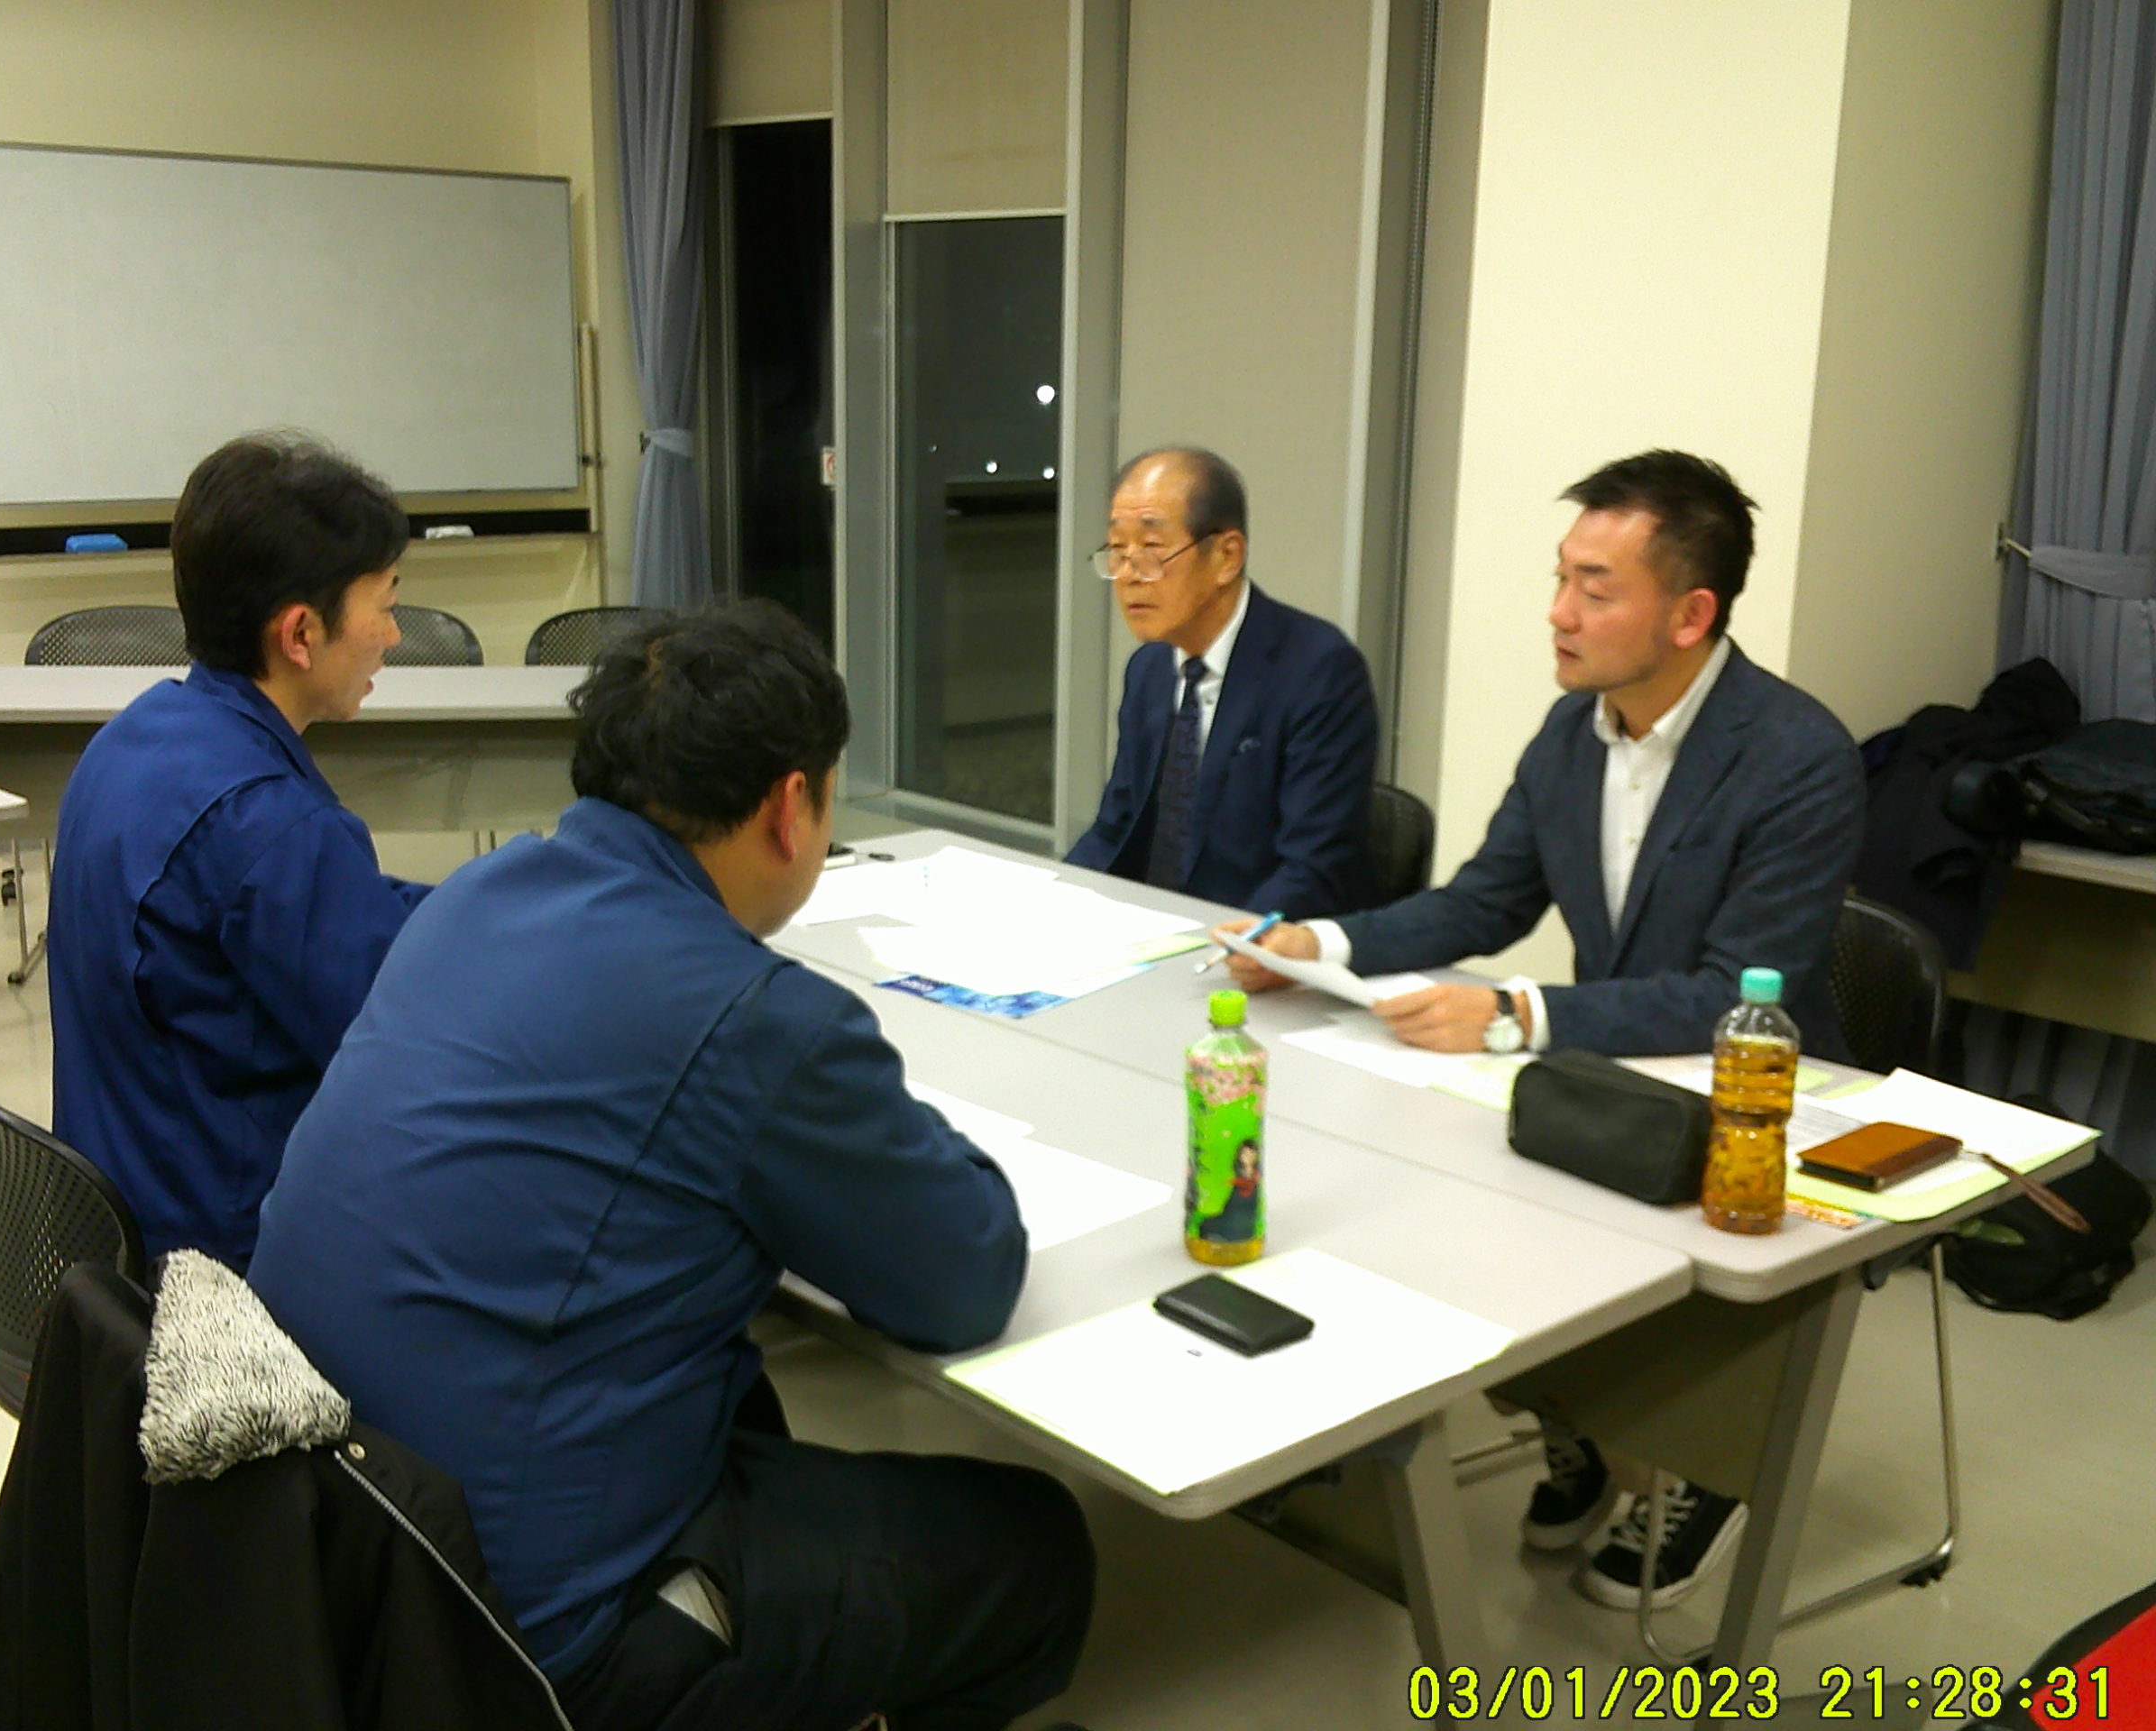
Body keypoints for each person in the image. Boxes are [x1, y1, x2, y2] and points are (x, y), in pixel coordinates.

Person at [246, 600, 1095, 1731]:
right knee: (1037, 1549)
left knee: (749, 1401)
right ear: (790, 807)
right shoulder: (755, 1020)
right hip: (536, 1649)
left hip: (334, 1553)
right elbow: (964, 1279)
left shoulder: (472, 898)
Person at [1224, 449, 1866, 1611]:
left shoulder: (1796, 758)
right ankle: (1574, 1424)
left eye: (1593, 588)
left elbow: (1733, 991)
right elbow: (1482, 903)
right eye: (1560, 578)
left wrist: (1516, 1014)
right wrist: (1320, 944)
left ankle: (1711, 1468)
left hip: (1760, 1102)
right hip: (1612, 1077)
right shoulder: (1574, 732)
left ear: (1690, 615)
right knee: (1440, 1190)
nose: (1558, 612)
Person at [50, 434, 429, 1268]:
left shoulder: (136, 736)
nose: (394, 635)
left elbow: (328, 915)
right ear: (300, 633)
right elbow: (405, 1060)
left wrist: (480, 905)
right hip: (226, 1260)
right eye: (384, 604)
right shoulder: (272, 826)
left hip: (115, 1228)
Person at [1065, 447, 1378, 918]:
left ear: (1226, 557)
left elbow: (1311, 870)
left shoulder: (1319, 670)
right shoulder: (1149, 668)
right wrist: (1056, 904)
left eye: (1150, 550)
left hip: (1255, 938)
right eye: (1118, 551)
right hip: (1152, 932)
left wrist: (1220, 945)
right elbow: (1115, 829)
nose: (1128, 575)